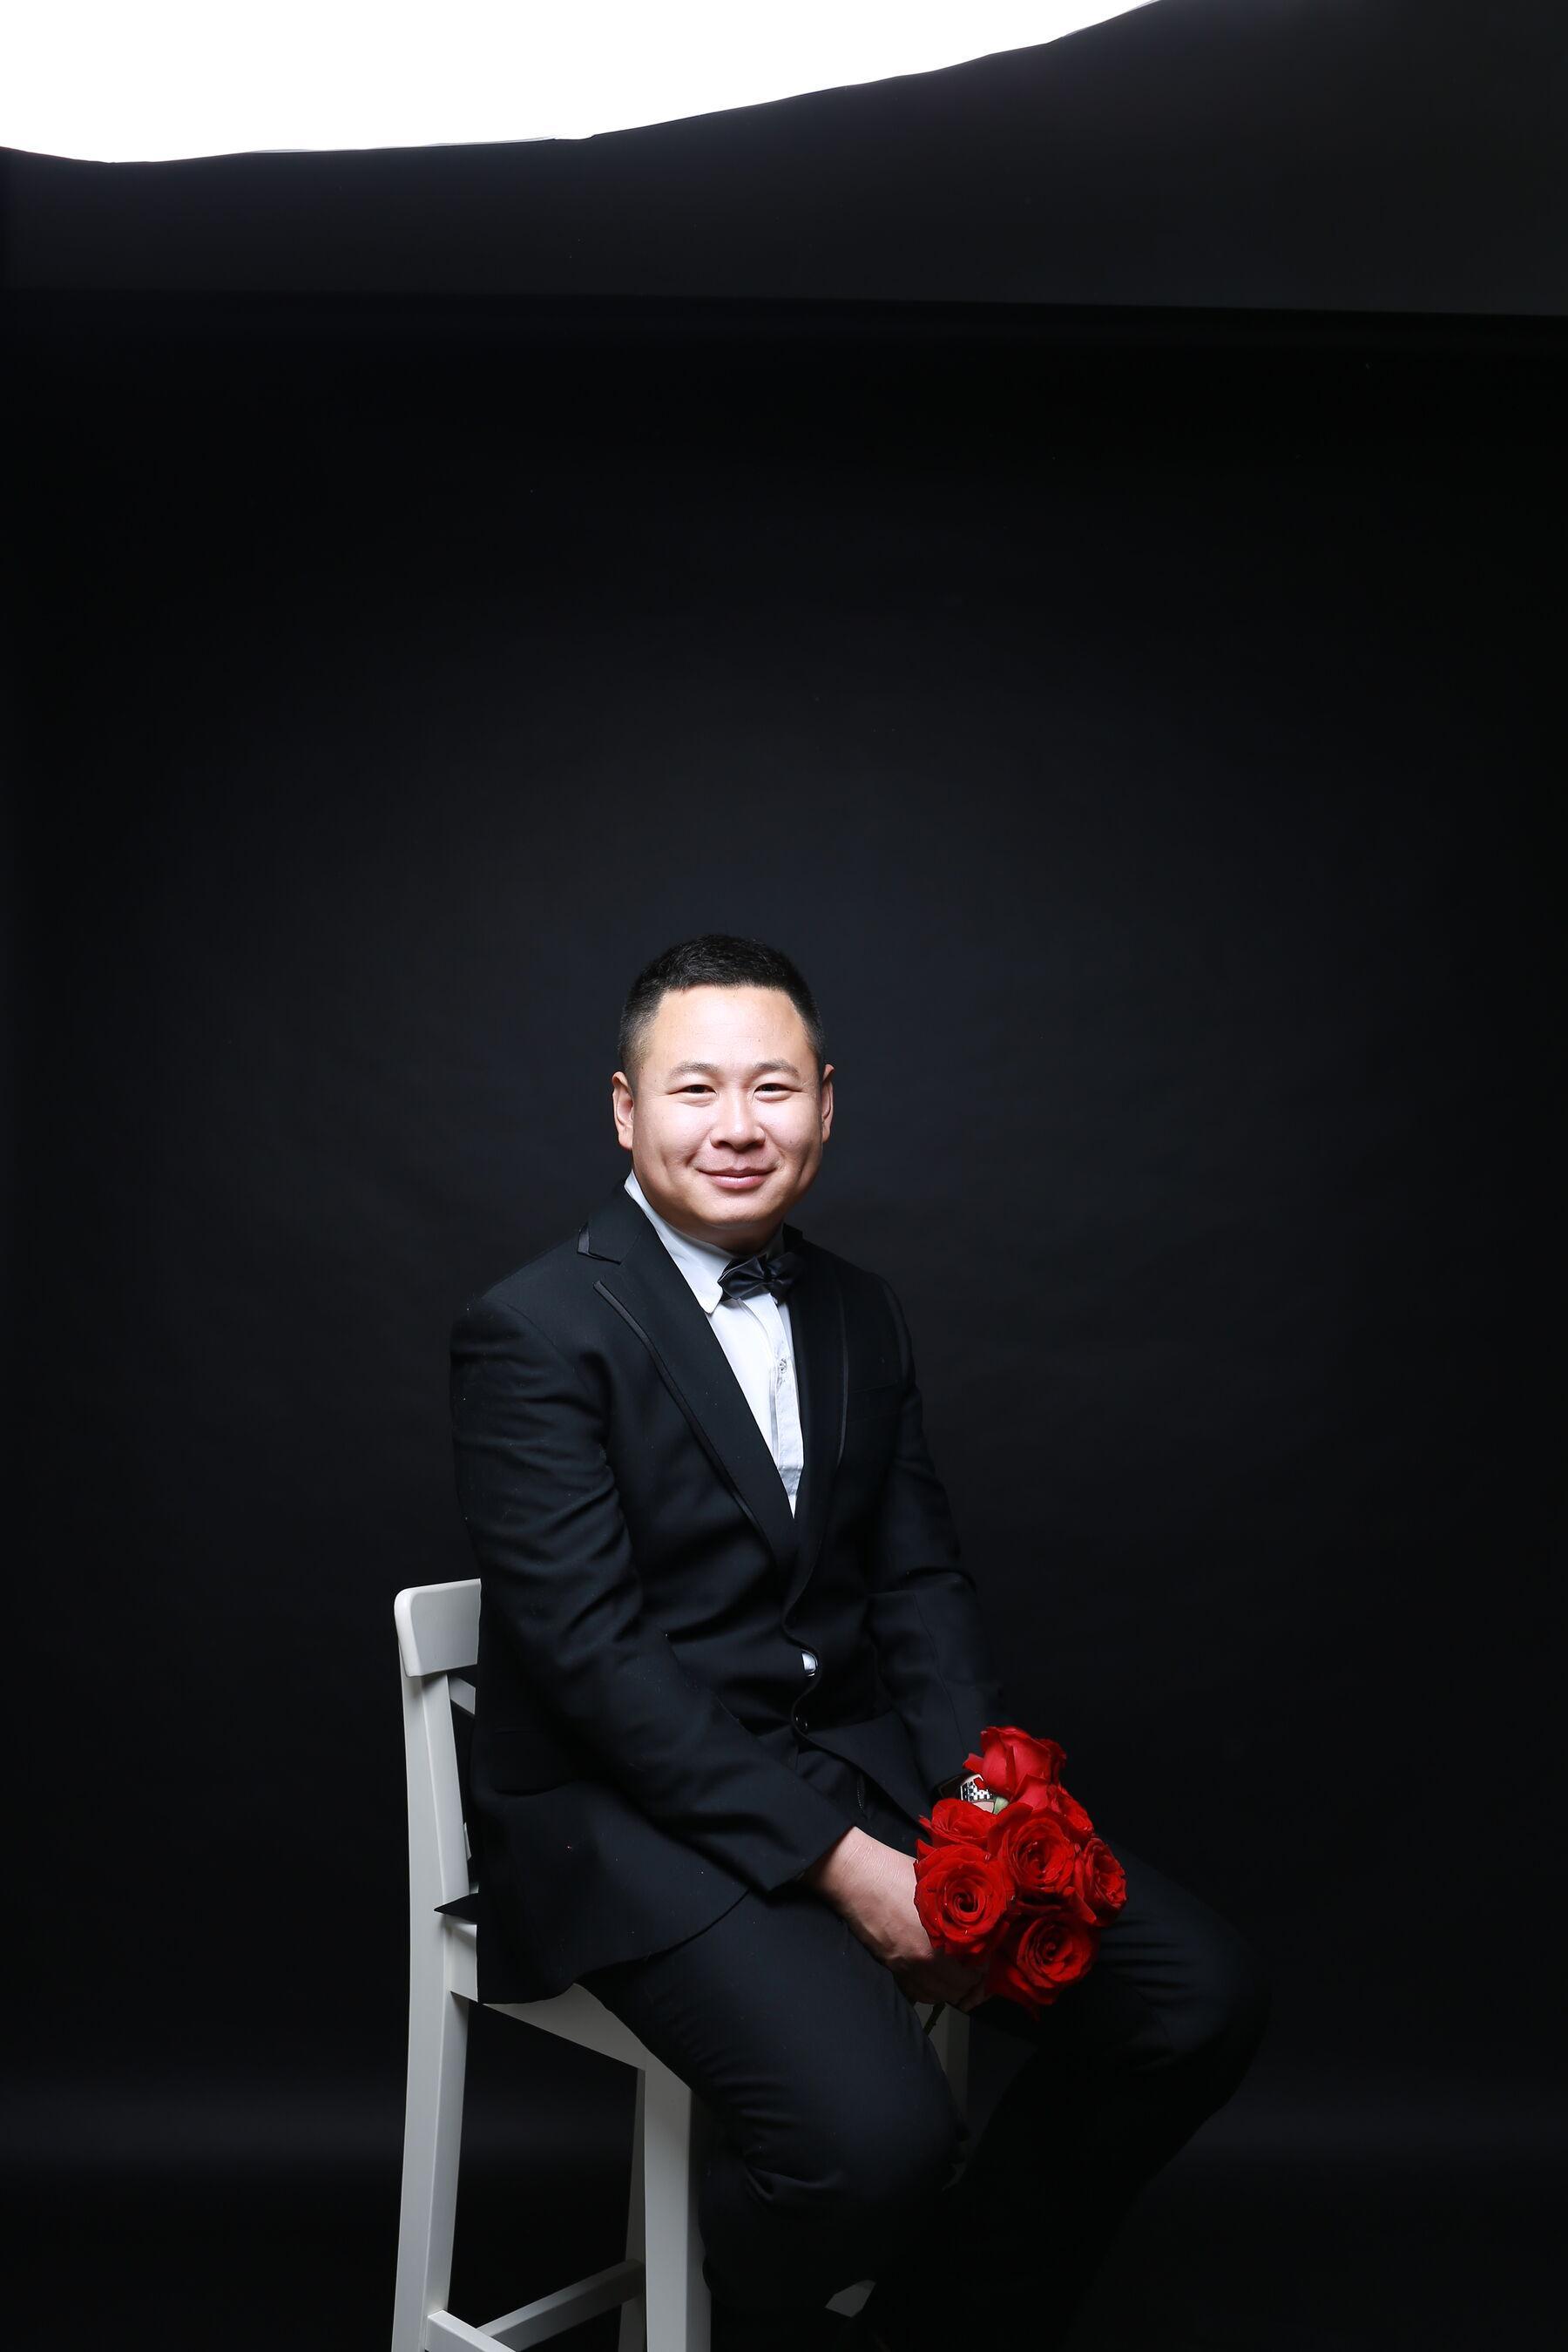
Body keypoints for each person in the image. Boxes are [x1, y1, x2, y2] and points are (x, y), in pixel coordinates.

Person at [449, 931, 1270, 2352]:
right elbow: (597, 1667)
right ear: (626, 1112)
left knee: (1194, 1999)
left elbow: (919, 1581)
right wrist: (849, 1867)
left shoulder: (860, 1311)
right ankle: (766, 2302)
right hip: (624, 1817)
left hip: (848, 1766)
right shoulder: (529, 1331)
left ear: (825, 1105)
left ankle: (940, 2324)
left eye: (773, 1087)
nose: (738, 1125)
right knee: (874, 2147)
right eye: (695, 1088)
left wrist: (982, 1799)